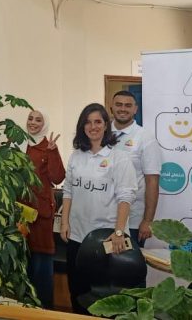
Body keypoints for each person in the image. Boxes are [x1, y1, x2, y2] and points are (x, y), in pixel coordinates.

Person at [60, 103, 137, 314]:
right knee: (78, 292)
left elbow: (126, 197)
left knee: (104, 299)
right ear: (82, 126)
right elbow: (68, 191)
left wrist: (119, 232)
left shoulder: (119, 158)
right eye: (88, 122)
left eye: (97, 122)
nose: (92, 126)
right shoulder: (76, 155)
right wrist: (64, 223)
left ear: (105, 125)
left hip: (106, 239)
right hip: (77, 237)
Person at [23, 109, 65, 309]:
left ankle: (44, 310)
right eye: (30, 118)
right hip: (19, 213)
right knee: (22, 262)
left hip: (41, 215)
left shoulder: (47, 147)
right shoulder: (19, 144)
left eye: (38, 120)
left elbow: (58, 178)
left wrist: (52, 152)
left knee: (41, 264)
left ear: (44, 124)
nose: (33, 122)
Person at [110, 90, 161, 247]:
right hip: (103, 217)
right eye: (119, 104)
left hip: (132, 220)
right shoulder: (101, 134)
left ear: (135, 109)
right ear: (111, 107)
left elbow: (152, 181)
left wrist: (147, 220)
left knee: (126, 261)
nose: (123, 109)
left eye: (128, 105)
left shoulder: (145, 137)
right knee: (99, 261)